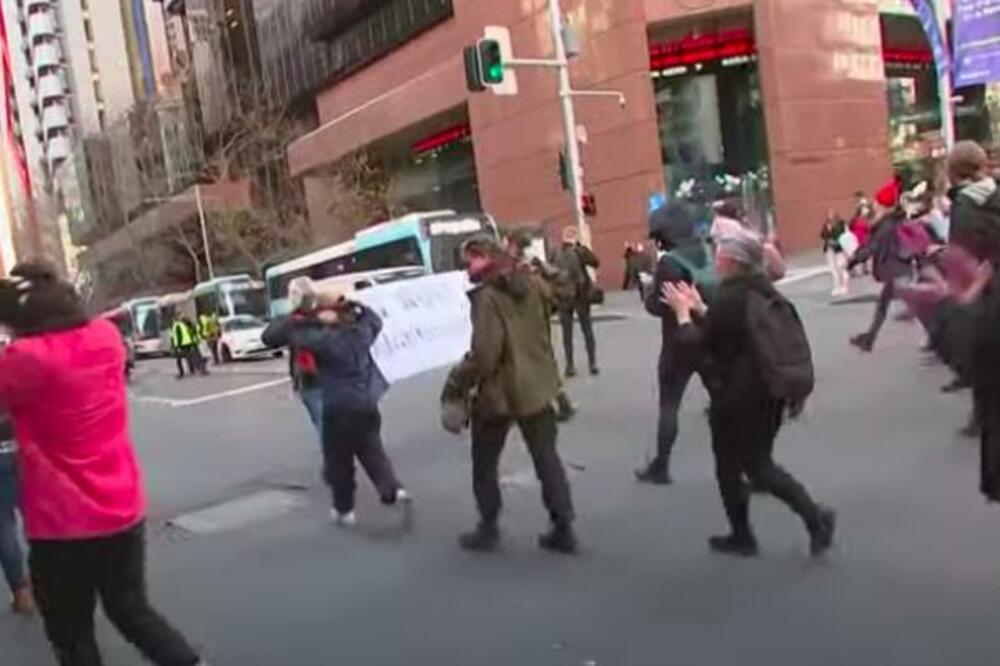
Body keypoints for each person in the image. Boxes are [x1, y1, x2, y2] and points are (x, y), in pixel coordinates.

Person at [0, 262, 206, 666]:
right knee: (132, 610)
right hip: (121, 509)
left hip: (63, 523)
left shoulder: (26, 358)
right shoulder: (105, 336)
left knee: (72, 631)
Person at [661, 231, 836, 558]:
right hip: (768, 390)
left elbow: (697, 344)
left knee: (751, 467)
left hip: (737, 397)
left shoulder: (731, 297)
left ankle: (814, 519)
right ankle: (743, 533)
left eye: (720, 255)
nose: (715, 259)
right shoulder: (759, 289)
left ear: (730, 262)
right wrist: (702, 308)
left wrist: (684, 314)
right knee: (745, 464)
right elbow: (732, 331)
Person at [442, 234, 577, 554]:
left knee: (484, 462)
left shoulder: (487, 297)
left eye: (469, 261)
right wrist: (546, 269)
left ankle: (488, 527)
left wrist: (457, 380)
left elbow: (486, 354)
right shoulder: (531, 282)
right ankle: (563, 526)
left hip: (500, 393)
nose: (465, 269)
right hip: (539, 384)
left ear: (483, 256)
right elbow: (566, 292)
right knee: (546, 459)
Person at [263, 289, 409, 526]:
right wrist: (352, 305)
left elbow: (272, 336)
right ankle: (389, 489)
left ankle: (345, 510)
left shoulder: (321, 339)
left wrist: (312, 319)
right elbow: (374, 319)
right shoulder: (361, 333)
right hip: (366, 403)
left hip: (337, 406)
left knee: (339, 461)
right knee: (371, 448)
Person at [636, 200, 711, 485]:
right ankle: (748, 463)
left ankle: (661, 465)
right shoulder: (706, 252)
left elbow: (659, 304)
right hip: (708, 335)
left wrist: (647, 292)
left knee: (669, 406)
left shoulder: (669, 263)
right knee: (723, 400)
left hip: (678, 341)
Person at [505, 228, 576, 422]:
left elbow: (516, 292)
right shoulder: (530, 265)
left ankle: (530, 408)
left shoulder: (516, 267)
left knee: (519, 365)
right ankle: (561, 402)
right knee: (542, 362)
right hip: (537, 320)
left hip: (526, 322)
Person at [849, 179, 911, 352]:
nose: (874, 205)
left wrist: (854, 260)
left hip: (895, 269)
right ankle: (869, 339)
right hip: (898, 268)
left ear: (884, 205)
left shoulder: (885, 224)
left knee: (916, 307)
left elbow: (872, 246)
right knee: (883, 305)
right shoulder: (891, 221)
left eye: (877, 202)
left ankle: (941, 337)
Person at [553, 226, 600, 377]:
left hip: (563, 297)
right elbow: (595, 262)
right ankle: (592, 363)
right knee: (587, 330)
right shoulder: (579, 251)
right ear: (575, 237)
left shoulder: (555, 253)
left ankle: (570, 366)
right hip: (581, 296)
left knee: (567, 334)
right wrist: (582, 247)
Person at [284, 277, 324, 440]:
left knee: (322, 421)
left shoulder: (296, 321)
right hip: (319, 376)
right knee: (326, 420)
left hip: (312, 378)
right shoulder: (322, 316)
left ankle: (337, 460)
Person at [0, 410, 32, 614]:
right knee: (38, 518)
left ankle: (20, 592)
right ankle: (51, 576)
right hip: (20, 447)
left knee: (3, 526)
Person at [820, 210, 850, 298]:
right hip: (829, 249)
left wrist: (837, 242)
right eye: (828, 215)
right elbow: (822, 235)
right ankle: (837, 286)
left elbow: (844, 235)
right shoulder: (826, 225)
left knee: (842, 267)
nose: (830, 216)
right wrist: (828, 240)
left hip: (839, 248)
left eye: (832, 214)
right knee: (833, 269)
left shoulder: (841, 224)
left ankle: (845, 286)